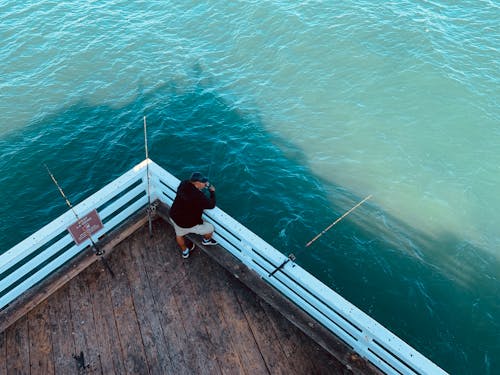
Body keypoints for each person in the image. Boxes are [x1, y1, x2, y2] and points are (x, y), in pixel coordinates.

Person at [169, 171, 218, 258]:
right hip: (187, 224)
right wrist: (212, 192)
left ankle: (185, 251)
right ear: (197, 183)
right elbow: (211, 205)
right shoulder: (198, 197)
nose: (205, 184)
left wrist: (200, 188)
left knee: (179, 235)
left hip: (174, 216)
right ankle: (206, 241)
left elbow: (190, 193)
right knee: (210, 228)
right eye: (203, 182)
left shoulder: (183, 184)